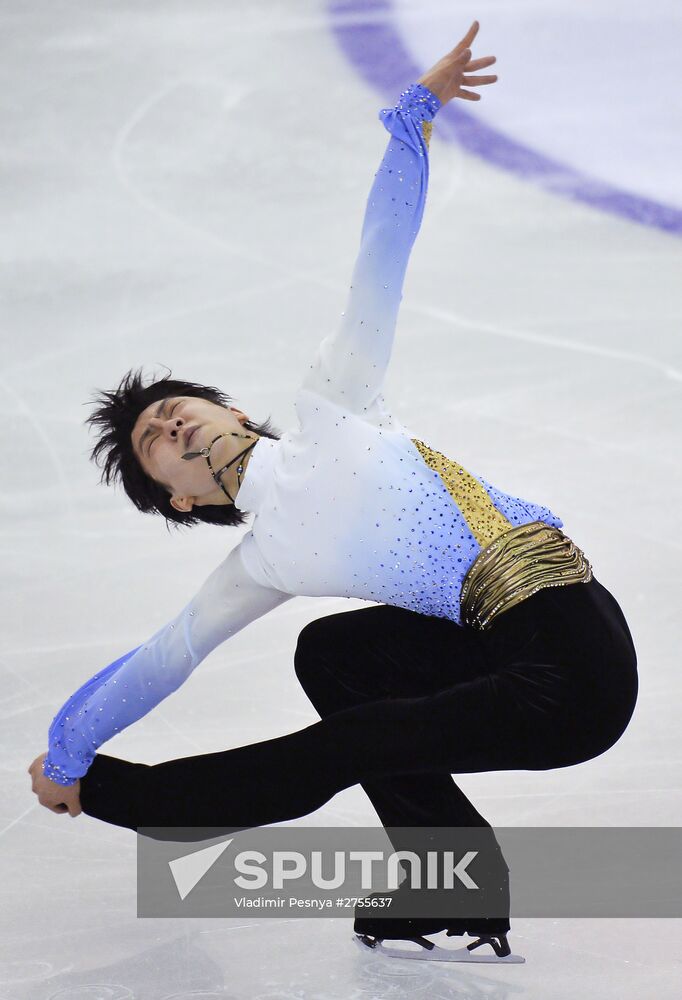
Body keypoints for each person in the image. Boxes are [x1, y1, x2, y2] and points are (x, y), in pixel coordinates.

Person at [28, 21, 638, 960]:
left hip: (575, 662)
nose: (170, 425)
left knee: (348, 744)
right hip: (509, 659)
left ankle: (141, 801)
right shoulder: (265, 558)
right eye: (153, 444)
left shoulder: (334, 404)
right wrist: (67, 750)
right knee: (335, 656)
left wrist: (413, 119)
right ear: (179, 499)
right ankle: (460, 879)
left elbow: (379, 259)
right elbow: (161, 660)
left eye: (175, 408)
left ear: (226, 406)